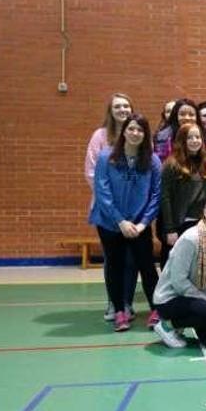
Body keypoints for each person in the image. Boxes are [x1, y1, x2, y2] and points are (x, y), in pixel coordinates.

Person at [89, 113, 161, 332]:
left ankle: (157, 309)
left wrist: (143, 223)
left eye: (140, 130)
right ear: (124, 131)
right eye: (131, 128)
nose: (135, 133)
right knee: (115, 266)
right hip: (110, 223)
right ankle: (120, 311)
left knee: (147, 267)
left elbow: (156, 195)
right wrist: (119, 220)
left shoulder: (153, 160)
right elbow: (102, 190)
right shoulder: (106, 157)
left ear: (145, 134)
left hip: (139, 225)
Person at [152, 194, 206, 349]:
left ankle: (193, 319)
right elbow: (178, 282)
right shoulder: (190, 239)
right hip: (170, 298)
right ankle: (167, 325)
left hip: (195, 297)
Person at [84, 92, 137, 321]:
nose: (122, 109)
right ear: (111, 110)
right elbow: (91, 172)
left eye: (126, 105)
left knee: (131, 259)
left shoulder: (139, 134)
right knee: (113, 258)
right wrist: (113, 205)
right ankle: (114, 304)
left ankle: (127, 302)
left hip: (134, 210)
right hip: (108, 210)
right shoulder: (100, 136)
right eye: (118, 106)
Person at [161, 123, 206, 255]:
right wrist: (170, 229)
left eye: (197, 137)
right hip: (179, 225)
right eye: (190, 138)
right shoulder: (171, 164)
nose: (195, 141)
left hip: (200, 223)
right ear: (182, 141)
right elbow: (165, 197)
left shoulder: (204, 162)